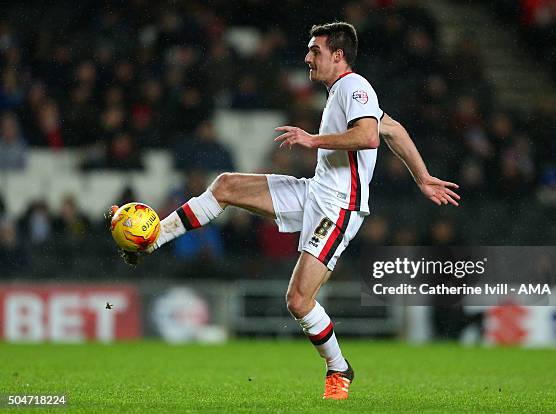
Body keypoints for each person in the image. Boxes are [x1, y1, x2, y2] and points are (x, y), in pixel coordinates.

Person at [110, 22, 460, 399]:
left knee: (297, 301)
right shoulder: (344, 91)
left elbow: (369, 136)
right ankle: (152, 238)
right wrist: (422, 177)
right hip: (314, 193)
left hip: (339, 209)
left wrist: (312, 139)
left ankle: (338, 368)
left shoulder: (354, 87)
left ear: (338, 56)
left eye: (316, 51)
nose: (308, 57)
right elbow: (393, 130)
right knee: (225, 185)